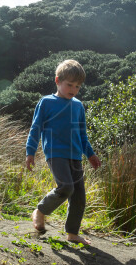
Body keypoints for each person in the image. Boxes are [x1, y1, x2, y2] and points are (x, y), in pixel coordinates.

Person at [25, 59, 101, 245]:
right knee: (66, 187)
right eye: (69, 84)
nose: (73, 89)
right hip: (55, 153)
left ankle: (72, 233)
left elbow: (82, 134)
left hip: (75, 155)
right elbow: (36, 128)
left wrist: (90, 154)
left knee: (79, 197)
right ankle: (40, 211)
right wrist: (30, 151)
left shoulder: (78, 106)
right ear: (58, 80)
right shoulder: (46, 102)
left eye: (77, 86)